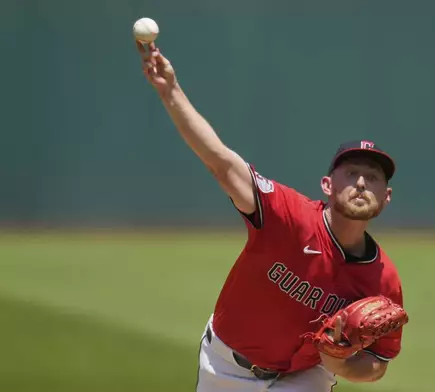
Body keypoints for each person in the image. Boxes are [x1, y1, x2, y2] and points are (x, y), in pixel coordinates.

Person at [135, 40, 405, 391]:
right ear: (326, 184)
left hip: (305, 377)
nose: (360, 182)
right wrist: (171, 92)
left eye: (372, 177)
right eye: (351, 172)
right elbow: (220, 162)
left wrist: (340, 362)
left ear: (386, 197)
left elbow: (378, 364)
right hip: (225, 367)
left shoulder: (383, 280)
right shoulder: (287, 215)